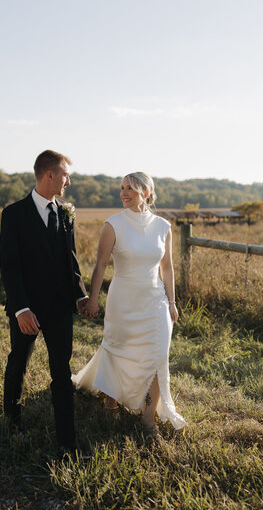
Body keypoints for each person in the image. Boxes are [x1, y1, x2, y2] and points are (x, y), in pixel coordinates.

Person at [73, 172, 187, 433]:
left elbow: (167, 268)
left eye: (130, 189)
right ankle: (110, 404)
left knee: (159, 355)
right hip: (123, 298)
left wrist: (172, 301)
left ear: (146, 193)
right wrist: (93, 299)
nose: (123, 193)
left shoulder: (163, 227)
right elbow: (100, 264)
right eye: (122, 188)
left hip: (155, 299)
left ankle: (148, 418)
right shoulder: (113, 224)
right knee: (117, 349)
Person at [0, 150, 95, 458]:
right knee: (19, 362)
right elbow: (9, 267)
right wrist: (20, 308)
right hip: (27, 309)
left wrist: (80, 295)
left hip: (59, 308)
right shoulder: (14, 214)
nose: (69, 180)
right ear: (49, 175)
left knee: (61, 371)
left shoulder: (66, 212)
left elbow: (71, 259)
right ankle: (11, 420)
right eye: (66, 174)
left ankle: (67, 442)